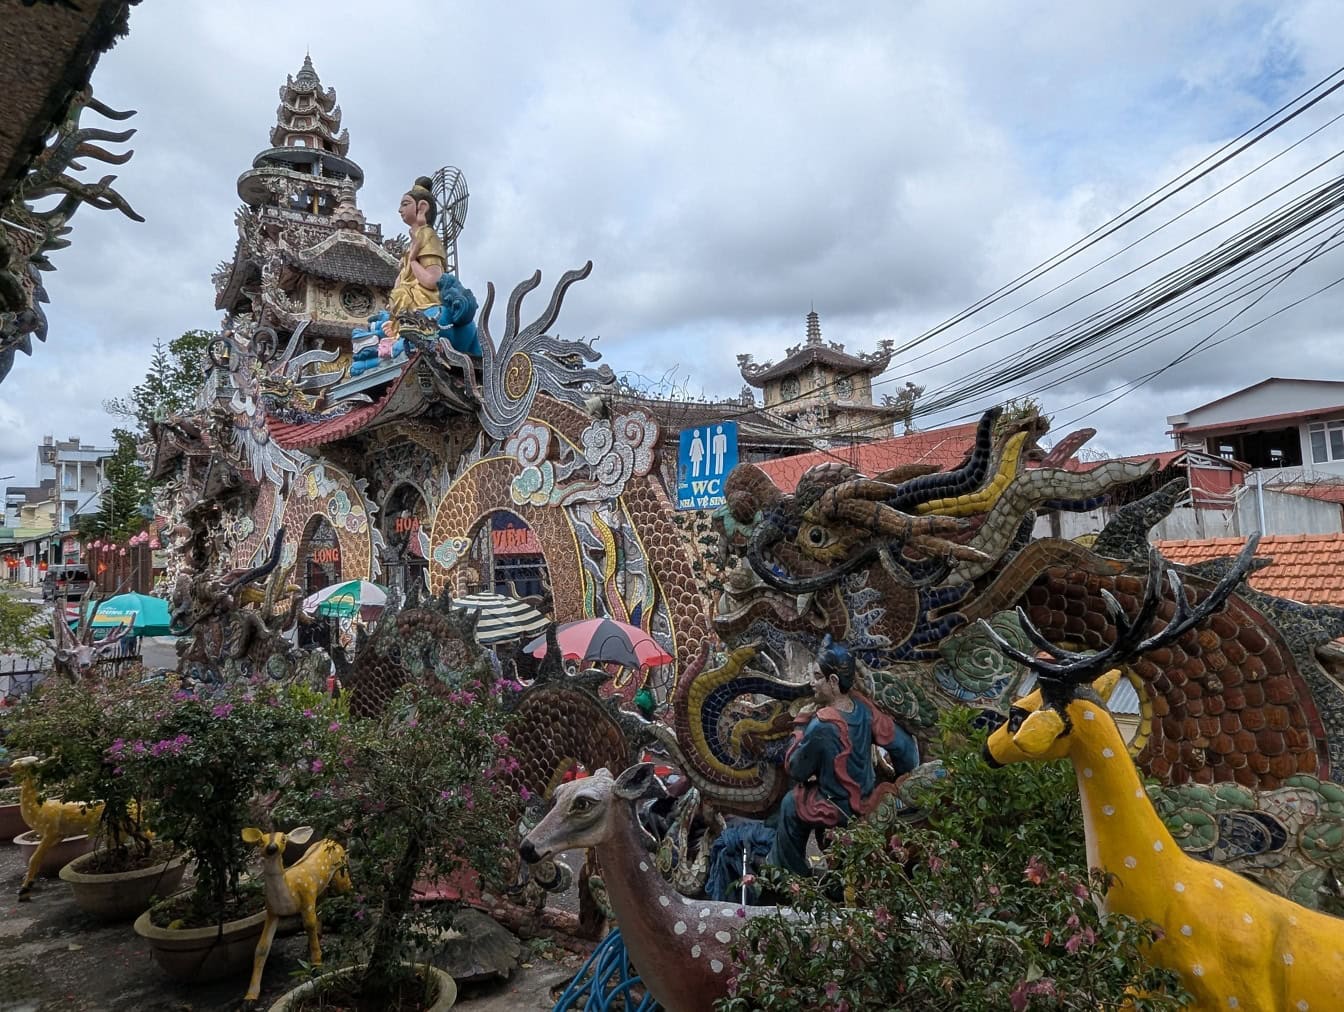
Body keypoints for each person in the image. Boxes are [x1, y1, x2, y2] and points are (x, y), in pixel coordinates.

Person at [766, 636, 919, 876]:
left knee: (789, 804)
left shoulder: (822, 724)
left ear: (833, 681)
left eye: (817, 677)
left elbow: (796, 769)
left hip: (838, 805)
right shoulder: (863, 707)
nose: (811, 683)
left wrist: (799, 726)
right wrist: (898, 777)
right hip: (868, 796)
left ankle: (786, 876)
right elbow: (905, 749)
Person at [386, 175, 448, 322]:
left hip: (425, 303)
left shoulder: (428, 236)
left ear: (422, 207)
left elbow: (433, 280)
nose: (399, 210)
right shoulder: (413, 241)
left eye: (405, 204)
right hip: (407, 305)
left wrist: (413, 260)